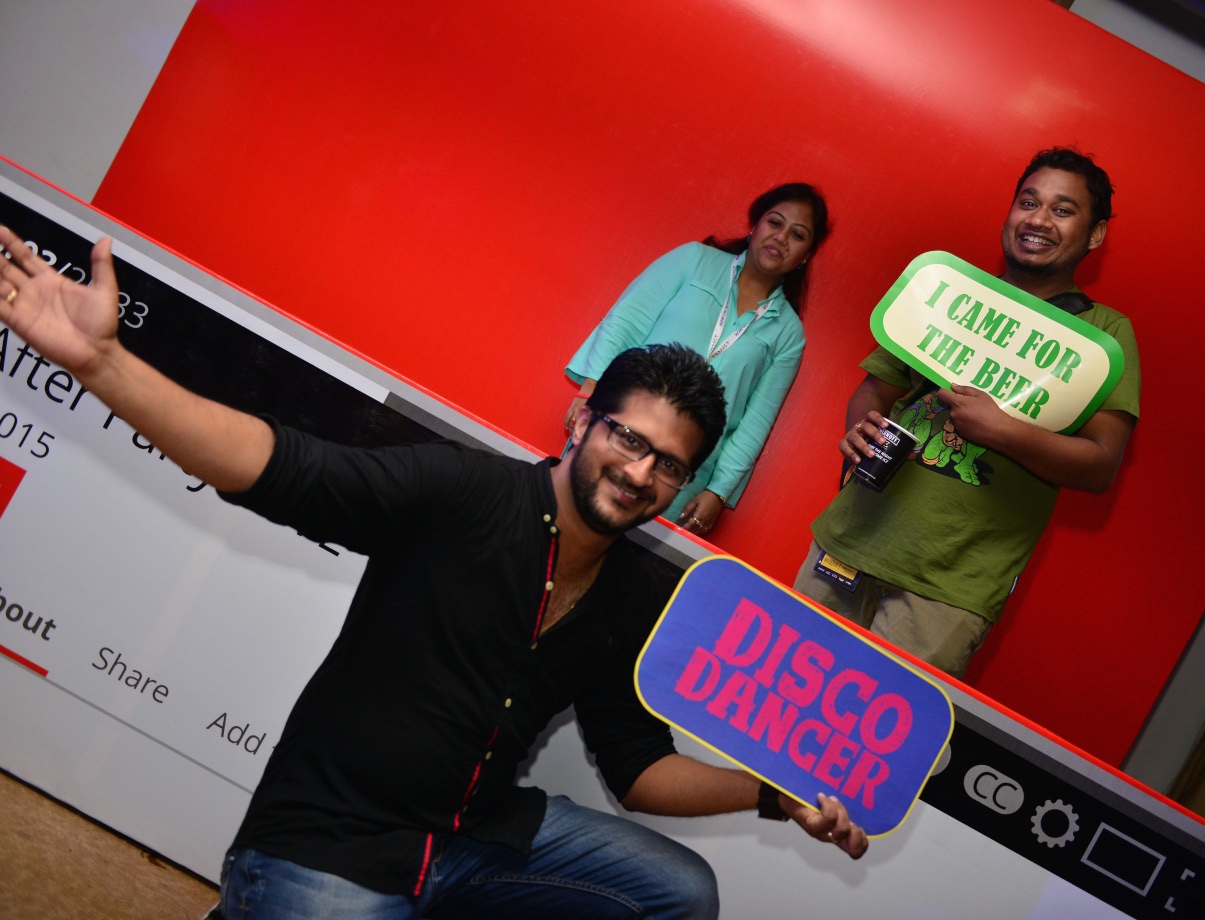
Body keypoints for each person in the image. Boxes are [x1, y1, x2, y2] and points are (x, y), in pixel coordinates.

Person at [0, 226, 867, 920]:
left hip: (471, 838)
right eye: (628, 438)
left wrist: (771, 794)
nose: (640, 473)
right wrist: (102, 363)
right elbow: (278, 466)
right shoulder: (464, 491)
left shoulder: (632, 593)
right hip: (332, 843)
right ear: (582, 422)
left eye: (668, 464)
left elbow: (638, 768)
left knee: (679, 893)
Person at [792, 147, 1141, 681]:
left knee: (875, 731)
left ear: (1094, 235)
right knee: (775, 701)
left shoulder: (1105, 337)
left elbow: (1100, 465)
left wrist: (1003, 430)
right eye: (1029, 202)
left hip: (950, 587)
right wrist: (860, 426)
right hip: (850, 536)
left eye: (1062, 210)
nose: (1039, 220)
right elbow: (875, 390)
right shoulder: (949, 294)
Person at [565, 183, 830, 536]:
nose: (781, 238)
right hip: (619, 431)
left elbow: (755, 423)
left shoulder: (788, 334)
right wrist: (589, 390)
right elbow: (624, 324)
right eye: (775, 222)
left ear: (806, 255)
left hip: (684, 470)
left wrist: (718, 492)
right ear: (755, 224)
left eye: (797, 235)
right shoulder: (693, 260)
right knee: (570, 526)